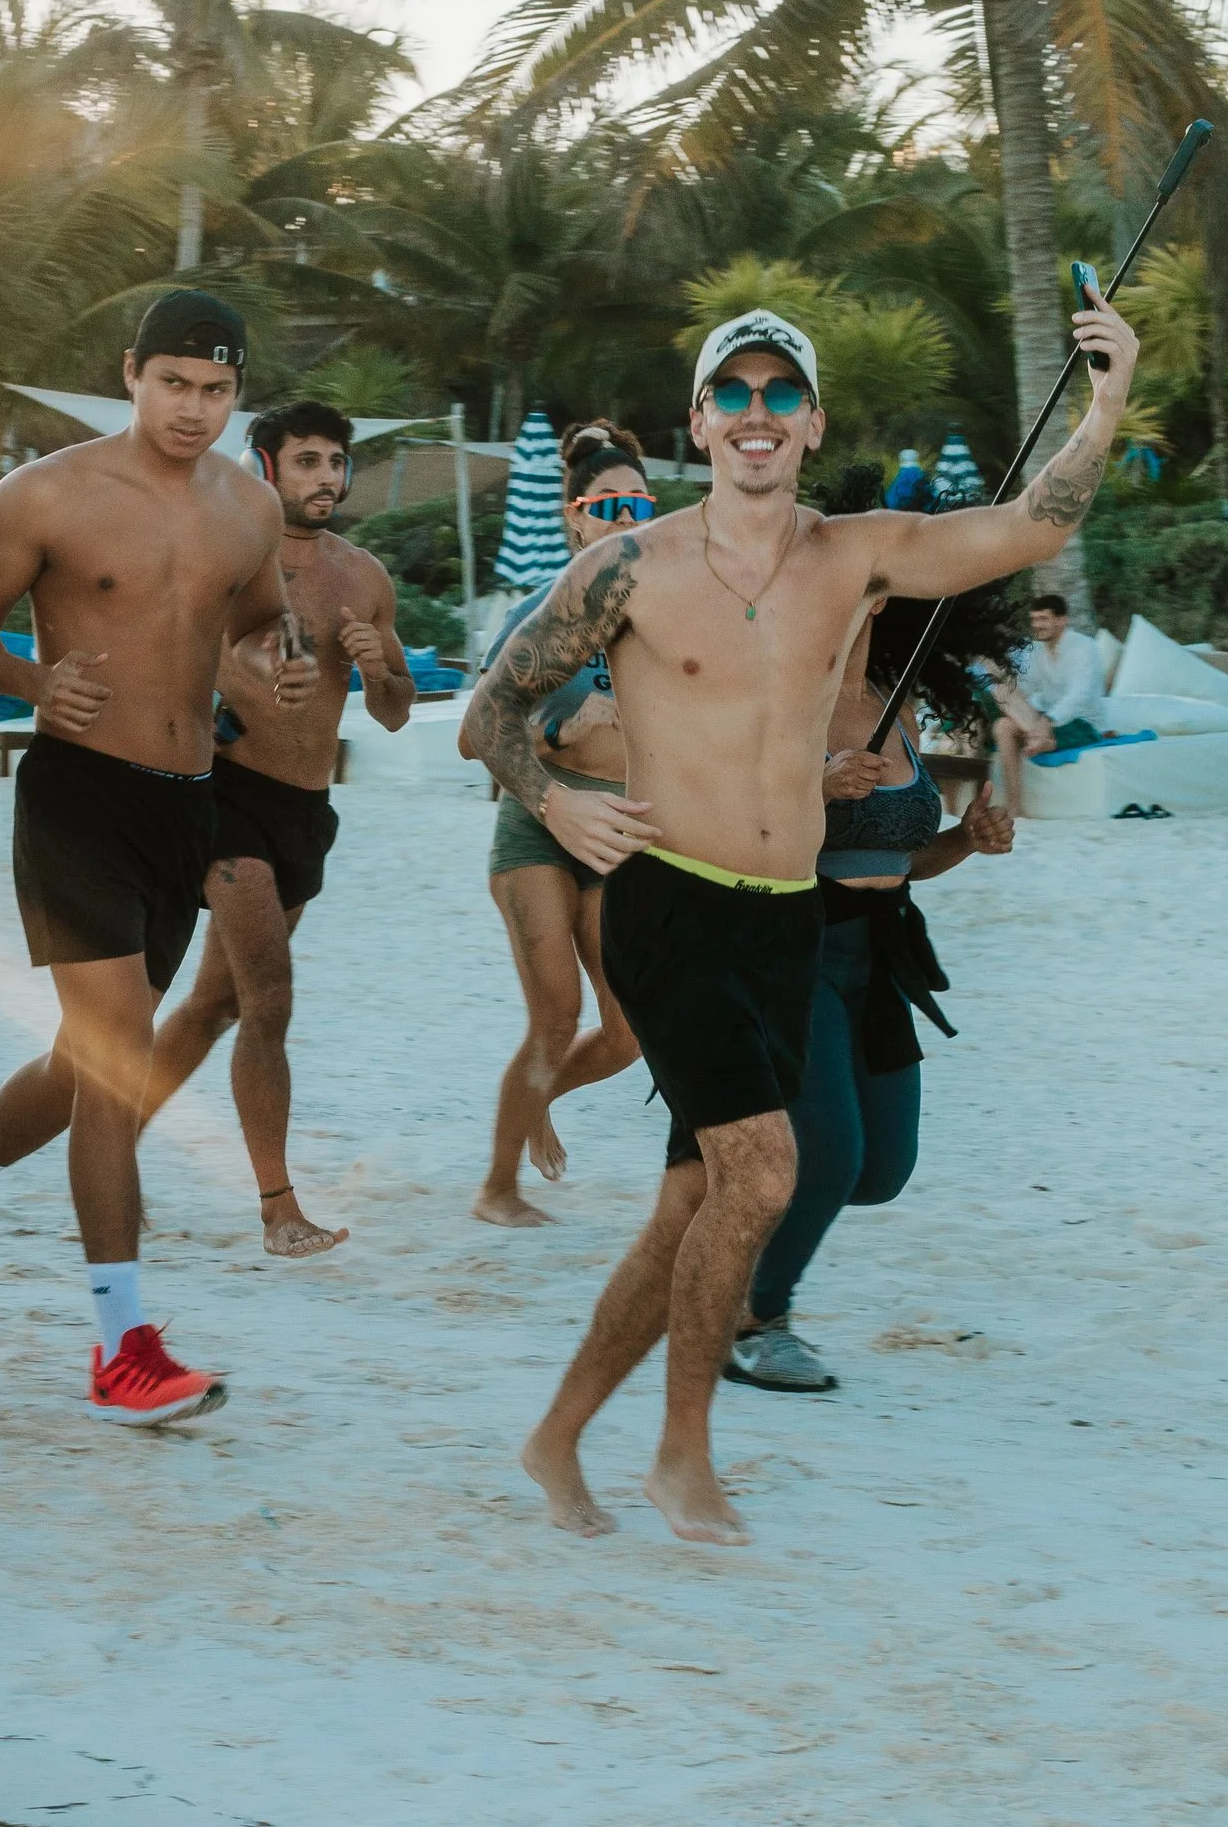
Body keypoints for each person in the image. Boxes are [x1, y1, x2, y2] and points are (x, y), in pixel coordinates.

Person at [460, 293, 1137, 1544]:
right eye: (734, 394)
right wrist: (556, 805)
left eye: (780, 394)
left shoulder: (858, 553)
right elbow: (489, 717)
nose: (756, 415)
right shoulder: (628, 567)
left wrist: (1103, 401)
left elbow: (1035, 522)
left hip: (787, 914)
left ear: (811, 421)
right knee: (765, 1173)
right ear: (699, 423)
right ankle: (681, 1455)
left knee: (690, 1208)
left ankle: (557, 1436)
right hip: (669, 905)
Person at [0, 287, 315, 1419]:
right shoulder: (45, 492)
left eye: (214, 390)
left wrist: (275, 661)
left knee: (77, 1062)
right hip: (78, 797)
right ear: (131, 374)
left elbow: (252, 616)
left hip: (185, 803)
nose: (193, 408)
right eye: (173, 385)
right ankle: (122, 1346)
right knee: (117, 1056)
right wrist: (32, 683)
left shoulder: (249, 507)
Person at [725, 569, 1020, 1392]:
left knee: (881, 1169)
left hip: (880, 952)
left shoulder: (898, 699)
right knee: (830, 1153)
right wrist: (807, 787)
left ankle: (731, 1223)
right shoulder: (772, 685)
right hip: (794, 945)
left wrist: (966, 840)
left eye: (874, 581)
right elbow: (720, 823)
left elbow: (900, 858)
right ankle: (754, 1319)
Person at [137, 398, 411, 1254]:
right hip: (225, 795)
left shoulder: (363, 576)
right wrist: (242, 674)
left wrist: (377, 672)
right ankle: (278, 1209)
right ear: (266, 467)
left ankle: (110, 1149)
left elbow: (398, 715)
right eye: (307, 462)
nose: (325, 478)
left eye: (335, 462)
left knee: (213, 1004)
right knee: (271, 1003)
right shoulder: (227, 554)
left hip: (305, 811)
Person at [468, 422, 651, 1227]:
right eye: (605, 504)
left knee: (625, 1034)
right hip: (539, 825)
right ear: (575, 518)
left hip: (618, 832)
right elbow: (477, 731)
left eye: (637, 501)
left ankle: (541, 1096)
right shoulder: (545, 609)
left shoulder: (669, 613)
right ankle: (496, 1189)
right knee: (555, 1014)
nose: (623, 515)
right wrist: (561, 717)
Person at [989, 587, 1109, 806]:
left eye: (1043, 619)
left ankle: (1041, 737)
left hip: (1081, 723)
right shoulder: (1037, 650)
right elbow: (1027, 687)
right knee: (1002, 724)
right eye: (1034, 619)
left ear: (1062, 620)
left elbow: (1079, 696)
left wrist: (1047, 721)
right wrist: (1001, 679)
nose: (1037, 625)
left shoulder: (1084, 647)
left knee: (1007, 722)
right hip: (1042, 722)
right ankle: (1015, 805)